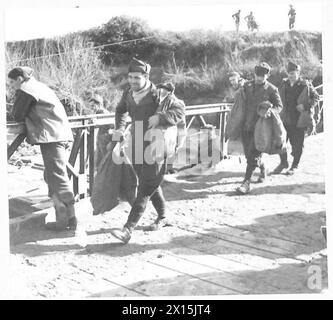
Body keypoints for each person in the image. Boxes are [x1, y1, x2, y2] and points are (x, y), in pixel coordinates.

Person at [109, 58, 185, 243]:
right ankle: (163, 217)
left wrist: (161, 118)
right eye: (130, 77)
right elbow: (120, 110)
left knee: (144, 188)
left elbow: (180, 109)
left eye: (137, 77)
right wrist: (119, 129)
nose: (133, 81)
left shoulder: (159, 93)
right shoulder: (129, 93)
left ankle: (128, 229)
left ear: (146, 77)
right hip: (135, 144)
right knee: (150, 182)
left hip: (156, 145)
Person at [8, 66, 76, 231]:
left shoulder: (26, 89)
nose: (11, 86)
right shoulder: (38, 86)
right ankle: (62, 220)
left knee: (58, 178)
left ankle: (72, 220)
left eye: (11, 83)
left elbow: (17, 114)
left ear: (19, 79)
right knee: (51, 176)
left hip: (52, 137)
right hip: (57, 134)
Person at [236, 62, 283, 195]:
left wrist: (271, 111)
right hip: (246, 125)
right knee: (248, 155)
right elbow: (240, 98)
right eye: (257, 75)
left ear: (267, 75)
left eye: (262, 76)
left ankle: (246, 183)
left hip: (261, 127)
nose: (259, 78)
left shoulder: (272, 89)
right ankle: (263, 167)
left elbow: (279, 106)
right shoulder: (247, 85)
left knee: (253, 155)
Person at [272, 61, 320, 175]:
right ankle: (283, 163)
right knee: (280, 142)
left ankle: (294, 165)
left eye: (293, 73)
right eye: (289, 73)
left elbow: (316, 97)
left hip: (299, 120)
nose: (291, 76)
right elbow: (276, 97)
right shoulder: (284, 84)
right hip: (284, 119)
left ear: (298, 73)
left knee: (297, 145)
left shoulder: (305, 84)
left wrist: (306, 106)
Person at [155, 82, 186, 174]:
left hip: (168, 130)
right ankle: (166, 169)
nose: (160, 91)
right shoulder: (156, 101)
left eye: (163, 89)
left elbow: (181, 123)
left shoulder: (175, 103)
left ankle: (166, 169)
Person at [87, 93, 113, 168]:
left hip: (105, 138)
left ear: (99, 104)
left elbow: (111, 125)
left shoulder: (102, 112)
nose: (92, 108)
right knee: (100, 160)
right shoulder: (99, 112)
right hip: (101, 138)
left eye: (93, 106)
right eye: (91, 106)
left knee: (104, 159)